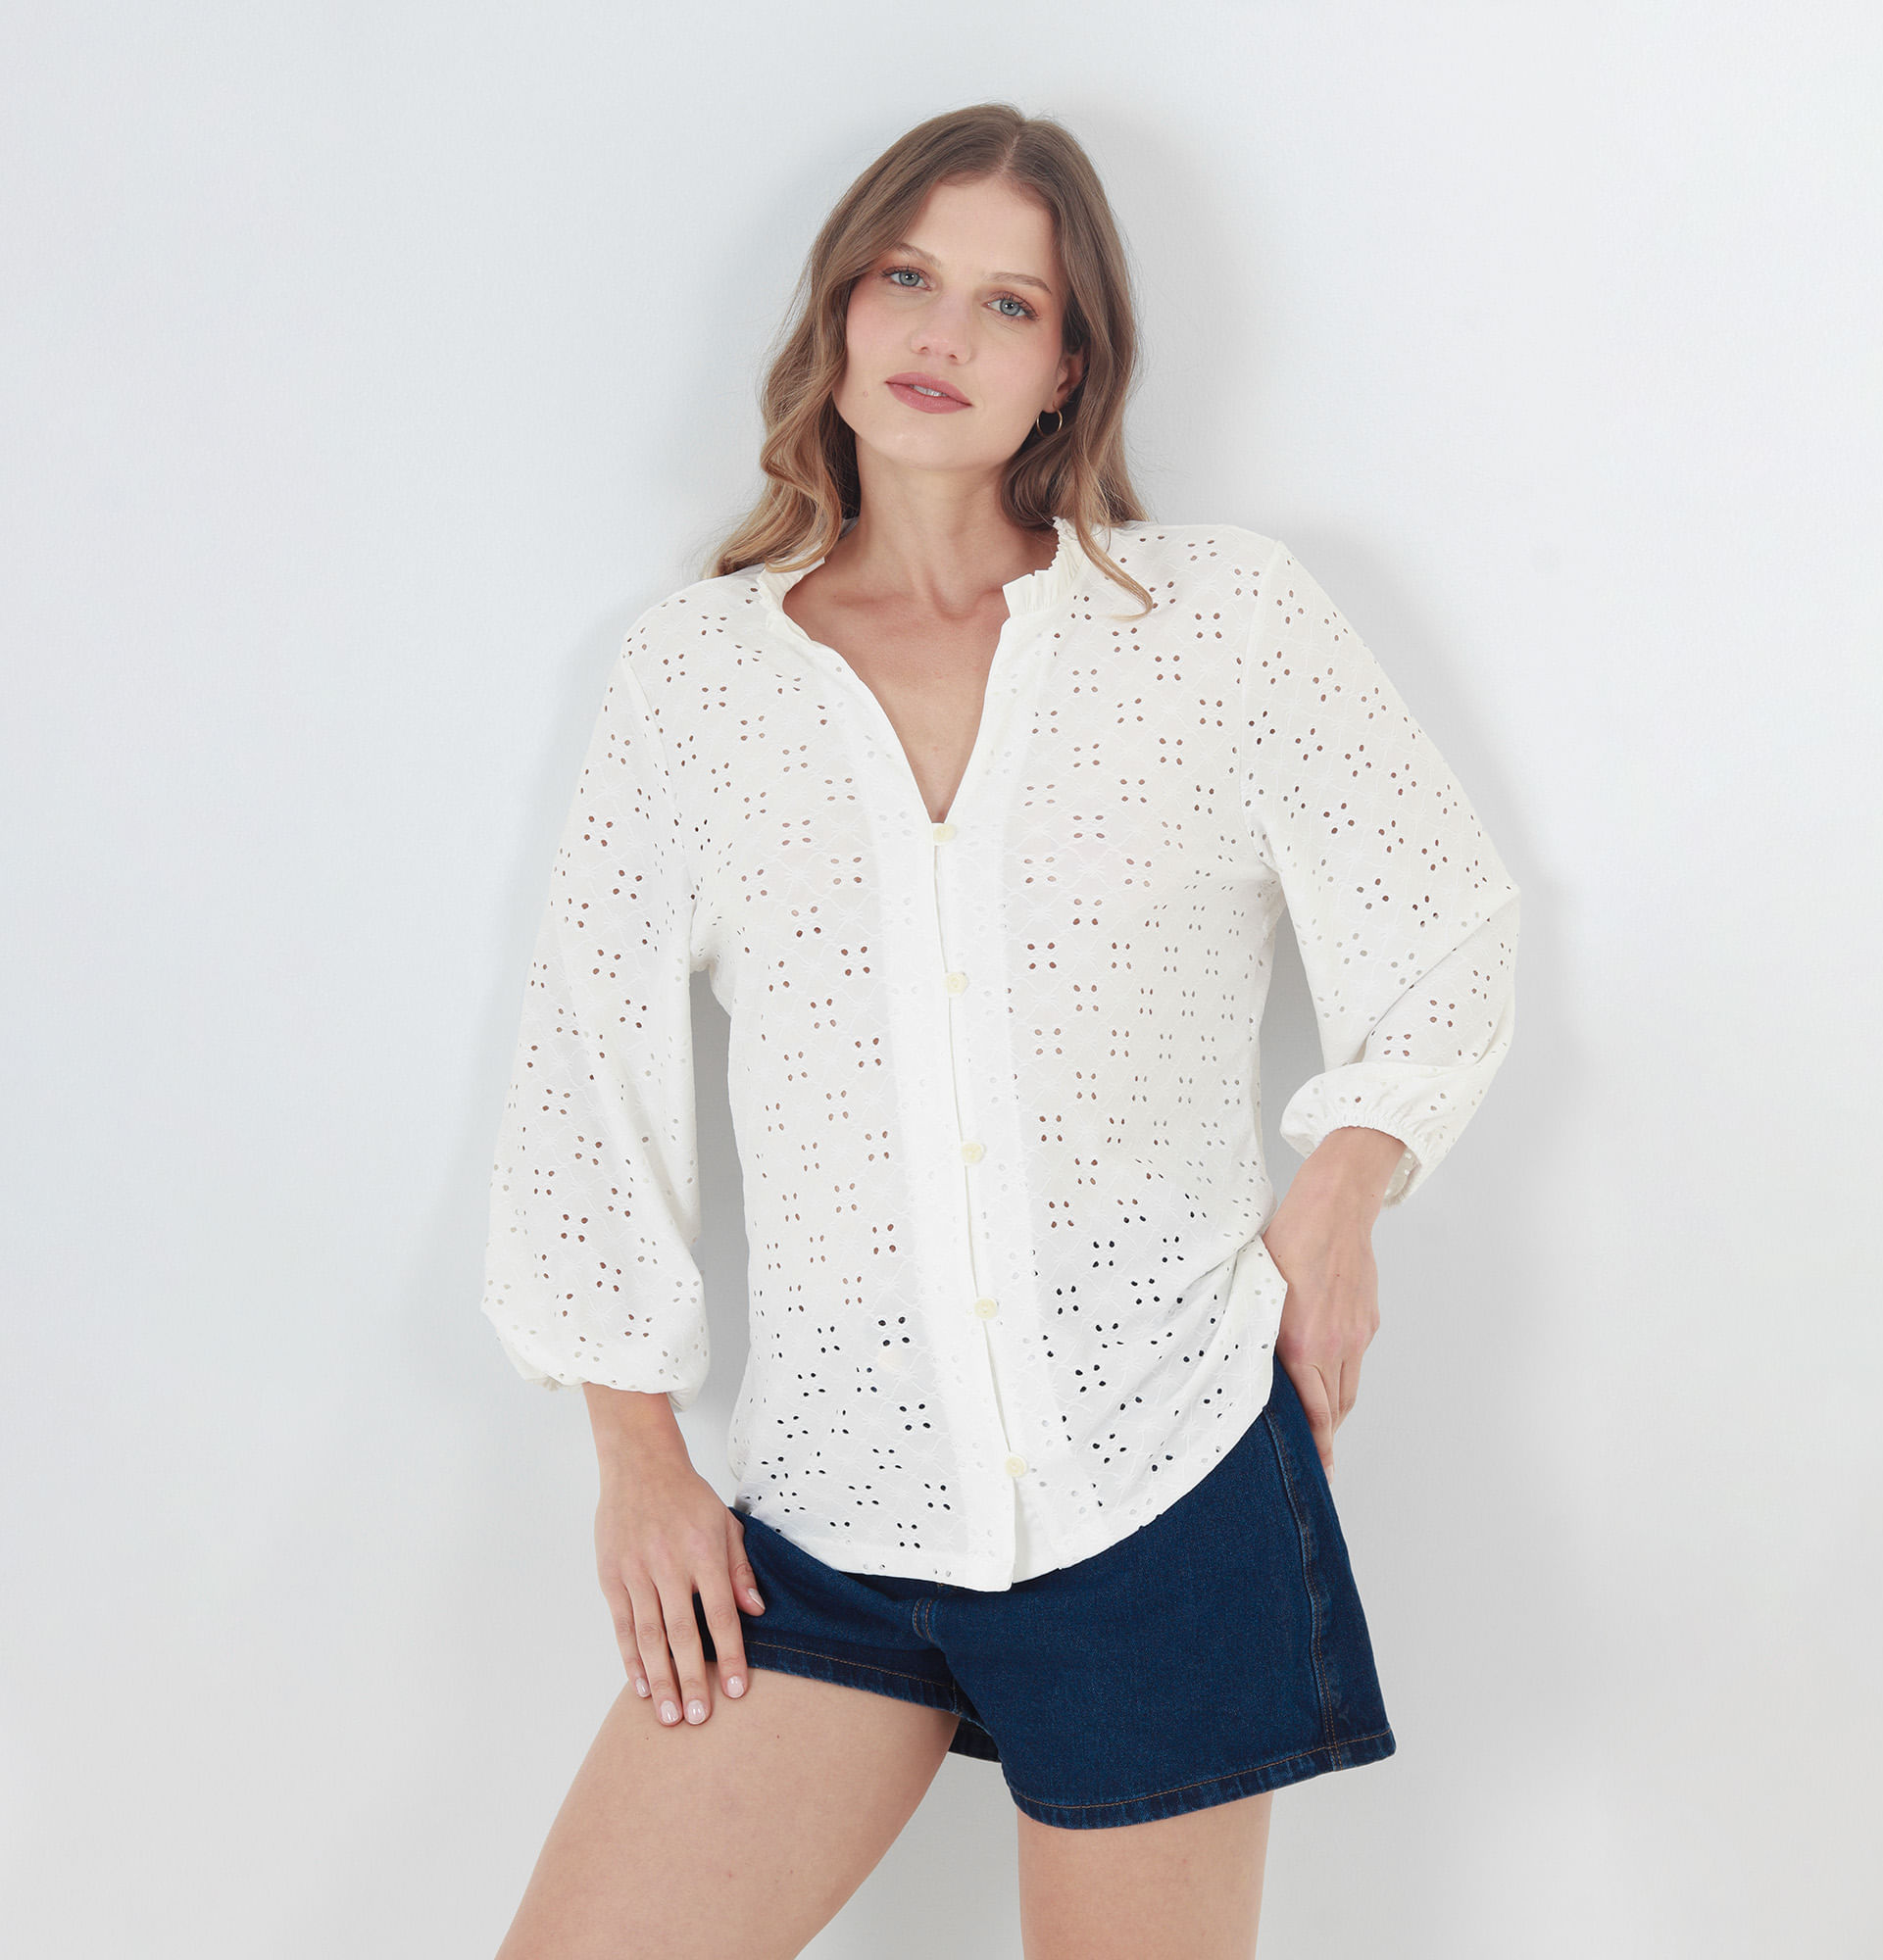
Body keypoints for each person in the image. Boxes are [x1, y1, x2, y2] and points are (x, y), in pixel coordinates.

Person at [480, 102, 1520, 1960]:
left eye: (1008, 303)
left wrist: (1345, 1191)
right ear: (841, 306)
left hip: (1169, 1480)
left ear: (1069, 368)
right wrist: (636, 1459)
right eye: (907, 277)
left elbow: (1442, 924)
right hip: (830, 1516)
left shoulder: (1218, 624)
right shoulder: (696, 677)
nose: (942, 334)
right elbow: (588, 1072)